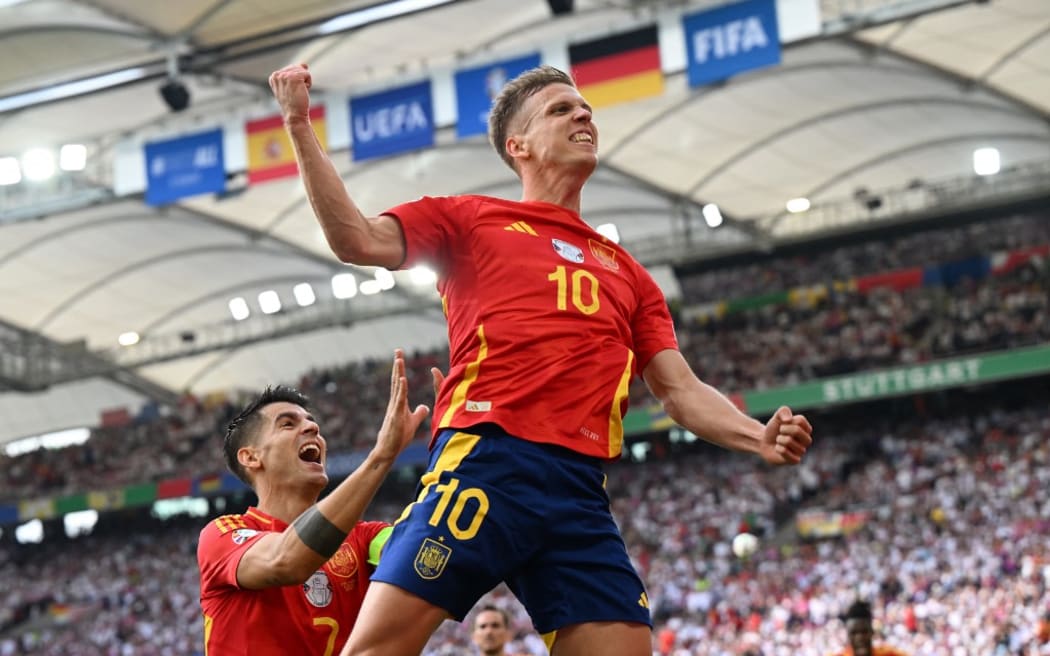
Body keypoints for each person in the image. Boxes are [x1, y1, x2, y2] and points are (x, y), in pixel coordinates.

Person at [268, 62, 814, 656]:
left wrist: (755, 436)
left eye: (585, 109)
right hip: (485, 463)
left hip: (579, 490)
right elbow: (356, 239)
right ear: (517, 146)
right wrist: (298, 123)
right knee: (377, 650)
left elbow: (678, 389)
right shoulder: (470, 220)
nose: (583, 115)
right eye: (561, 109)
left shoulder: (629, 273)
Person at [197, 350, 430, 655]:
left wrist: (457, 458)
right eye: (287, 424)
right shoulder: (222, 534)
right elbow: (287, 561)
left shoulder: (365, 538)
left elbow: (426, 552)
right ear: (251, 456)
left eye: (311, 422)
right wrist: (380, 457)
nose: (313, 429)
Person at [830, 600, 910, 656]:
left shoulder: (890, 654)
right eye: (854, 633)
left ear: (872, 632)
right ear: (848, 635)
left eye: (864, 631)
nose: (859, 637)